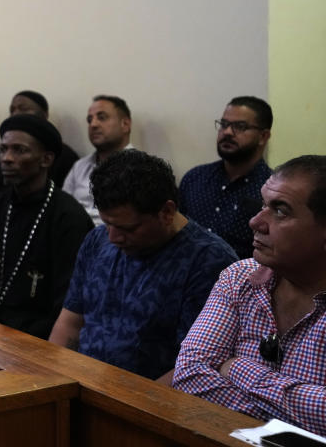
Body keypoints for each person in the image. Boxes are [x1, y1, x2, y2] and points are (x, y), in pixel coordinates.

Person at [49, 150, 237, 382]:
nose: (113, 238)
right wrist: (53, 381)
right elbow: (71, 323)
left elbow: (198, 364)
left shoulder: (210, 262)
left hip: (149, 403)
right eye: (108, 224)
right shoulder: (97, 240)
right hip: (83, 384)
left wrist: (130, 404)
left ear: (166, 212)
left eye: (128, 229)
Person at [173, 156, 326, 436]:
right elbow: (189, 375)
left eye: (280, 211)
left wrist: (236, 368)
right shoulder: (239, 277)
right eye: (263, 204)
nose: (256, 221)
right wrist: (290, 423)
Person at [0, 115, 94, 339]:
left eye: (19, 150)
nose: (6, 158)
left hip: (35, 337)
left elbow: (67, 304)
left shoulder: (68, 217)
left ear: (46, 159)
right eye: (3, 149)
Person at [179, 96, 273, 259]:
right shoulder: (195, 178)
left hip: (243, 281)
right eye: (224, 124)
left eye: (240, 126)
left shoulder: (271, 190)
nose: (228, 132)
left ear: (263, 136)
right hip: (185, 277)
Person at [0, 90, 79, 197]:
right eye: (12, 110)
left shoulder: (65, 156)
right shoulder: (1, 157)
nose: (15, 114)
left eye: (23, 109)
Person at [63, 95, 133, 225]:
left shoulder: (142, 168)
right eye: (90, 120)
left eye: (102, 117)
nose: (93, 124)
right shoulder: (79, 166)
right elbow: (62, 209)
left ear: (125, 124)